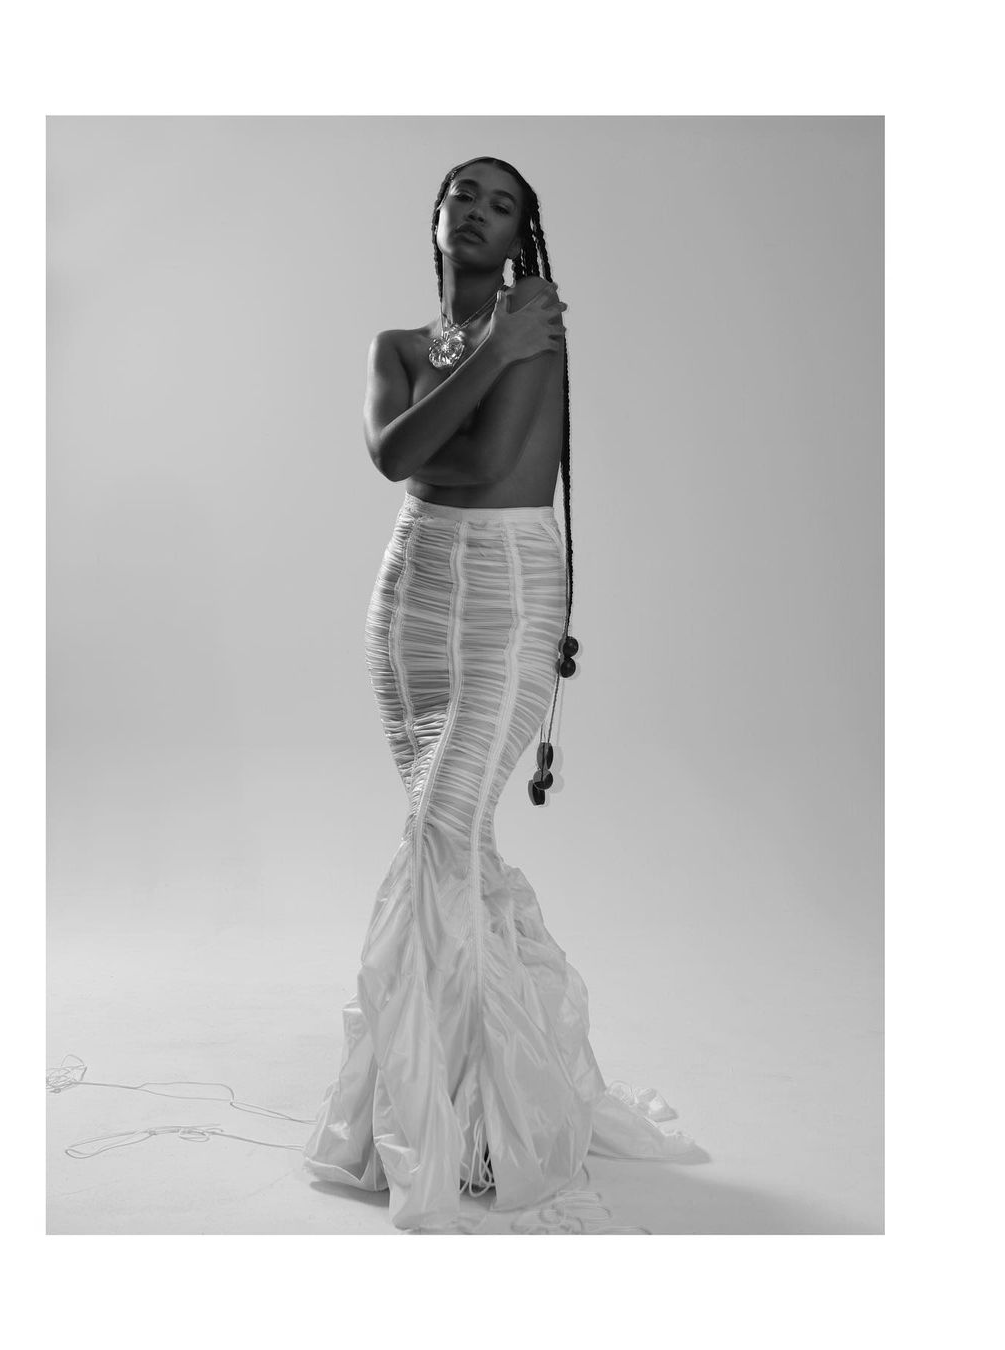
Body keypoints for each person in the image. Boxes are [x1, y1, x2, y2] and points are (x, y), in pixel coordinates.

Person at [302, 157, 698, 1233]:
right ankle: (464, 1112)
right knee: (456, 847)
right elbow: (399, 459)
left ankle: (455, 1112)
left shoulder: (540, 328)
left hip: (508, 595)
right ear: (433, 216)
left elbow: (478, 473)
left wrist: (485, 374)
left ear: (522, 232)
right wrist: (487, 358)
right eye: (463, 196)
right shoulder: (401, 346)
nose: (477, 212)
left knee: (440, 829)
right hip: (410, 600)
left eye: (502, 203)